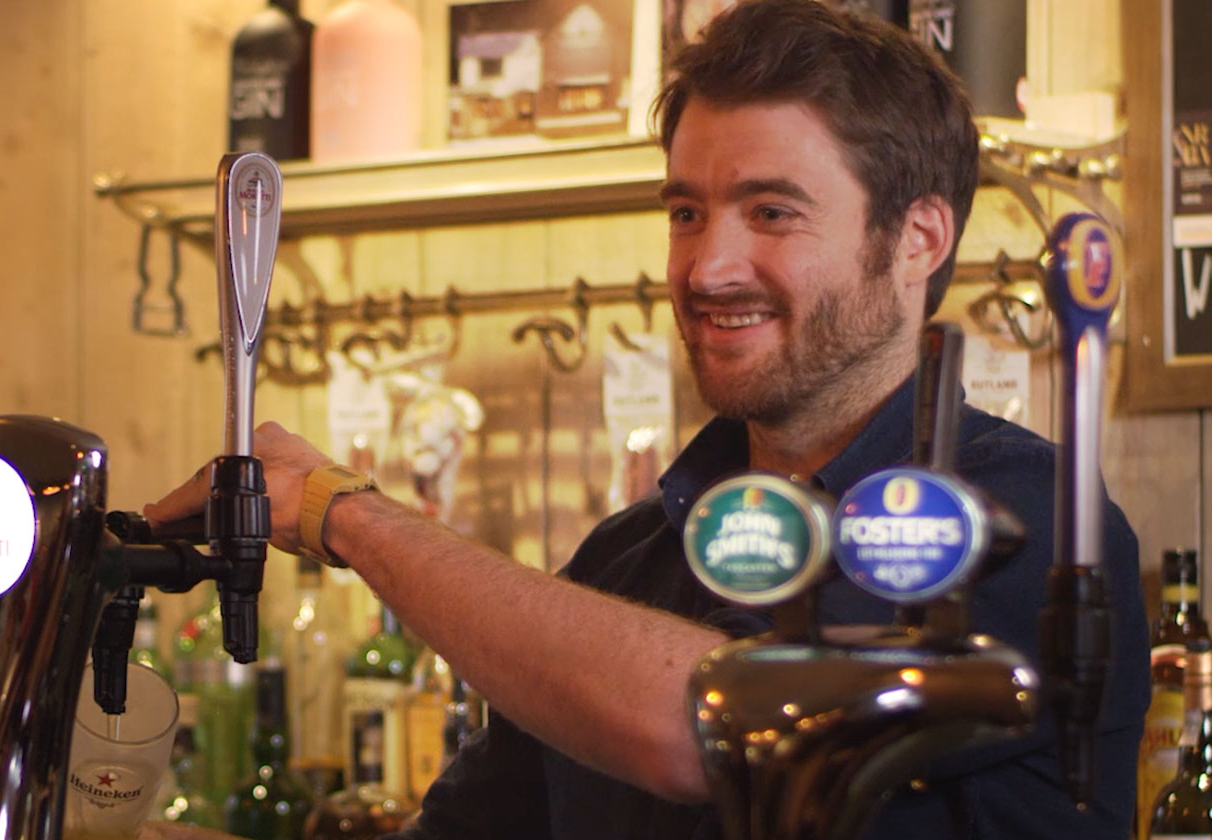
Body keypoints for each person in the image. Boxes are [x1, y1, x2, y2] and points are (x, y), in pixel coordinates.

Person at [143, 1, 1148, 837]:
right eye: (684, 212)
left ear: (918, 238)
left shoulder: (1019, 525)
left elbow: (707, 722)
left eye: (770, 212)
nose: (706, 269)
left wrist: (342, 512)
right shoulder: (631, 559)